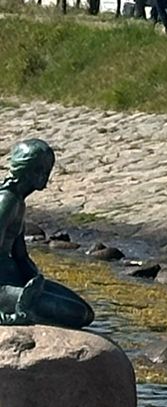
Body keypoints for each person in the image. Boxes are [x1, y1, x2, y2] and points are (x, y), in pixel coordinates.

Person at [0, 140, 94, 329]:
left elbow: (20, 255)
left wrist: (34, 278)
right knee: (77, 314)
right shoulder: (6, 201)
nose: (46, 176)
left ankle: (23, 304)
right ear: (29, 169)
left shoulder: (18, 202)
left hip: (13, 276)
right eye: (42, 169)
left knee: (85, 312)